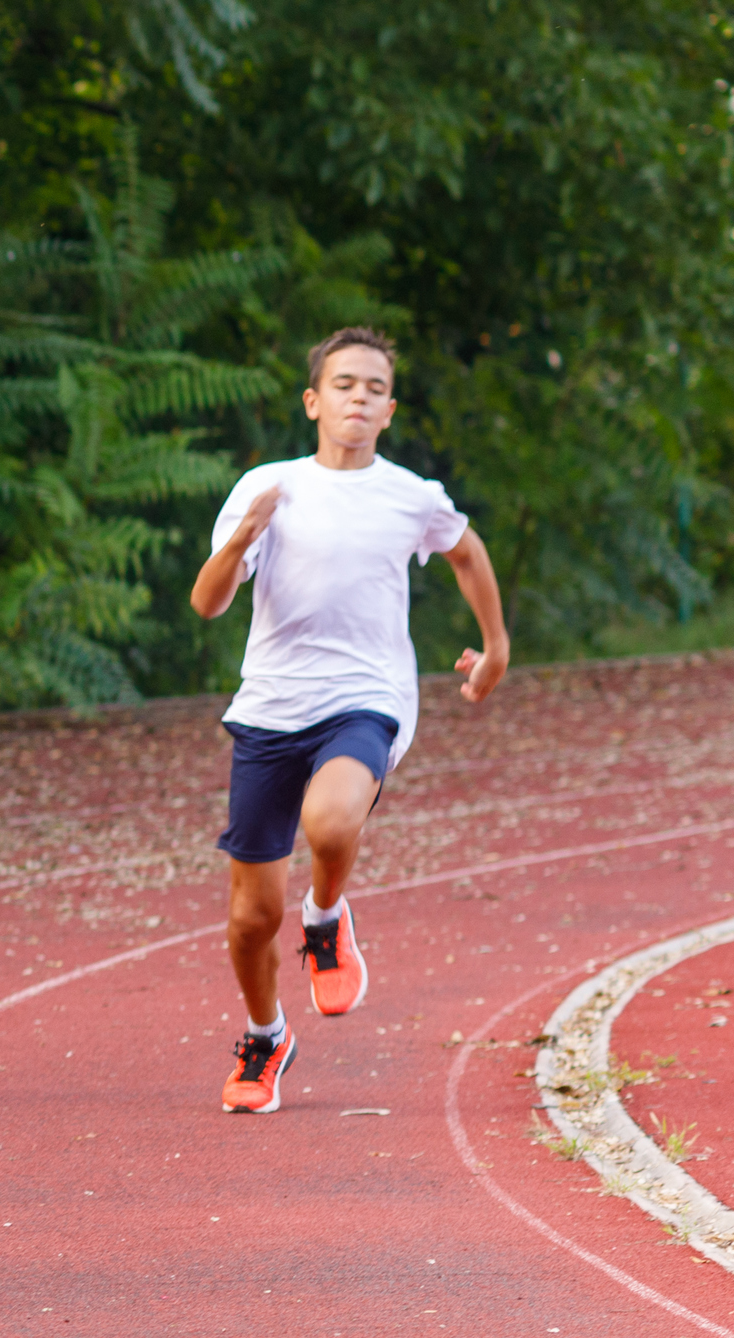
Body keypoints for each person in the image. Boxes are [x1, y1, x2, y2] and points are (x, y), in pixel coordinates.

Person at [187, 326, 506, 1113]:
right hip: (268, 709)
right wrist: (239, 545)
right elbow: (207, 602)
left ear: (389, 410)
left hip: (367, 700)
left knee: (330, 825)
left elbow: (466, 551)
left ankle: (327, 915)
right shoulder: (269, 487)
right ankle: (266, 1038)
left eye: (372, 387)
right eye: (343, 384)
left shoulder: (411, 496)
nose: (357, 396)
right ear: (313, 401)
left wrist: (496, 645)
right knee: (250, 919)